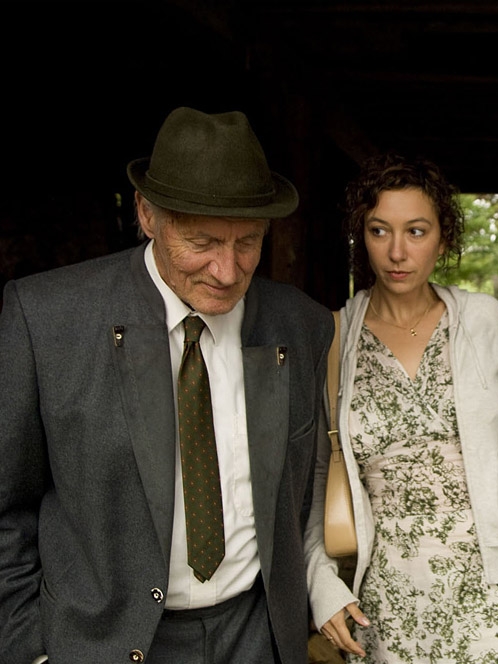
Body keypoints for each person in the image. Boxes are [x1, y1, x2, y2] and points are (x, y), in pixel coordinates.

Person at [0, 107, 335, 664]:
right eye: (202, 241)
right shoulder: (46, 319)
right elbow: (7, 506)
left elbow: (300, 497)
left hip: (256, 637)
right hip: (101, 645)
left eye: (248, 242)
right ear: (146, 214)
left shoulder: (302, 326)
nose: (227, 271)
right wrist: (29, 647)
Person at [304, 153, 498, 662]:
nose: (397, 252)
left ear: (443, 238)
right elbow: (318, 470)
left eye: (416, 231)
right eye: (379, 230)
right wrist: (319, 577)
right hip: (397, 599)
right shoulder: (333, 337)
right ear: (360, 236)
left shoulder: (482, 319)